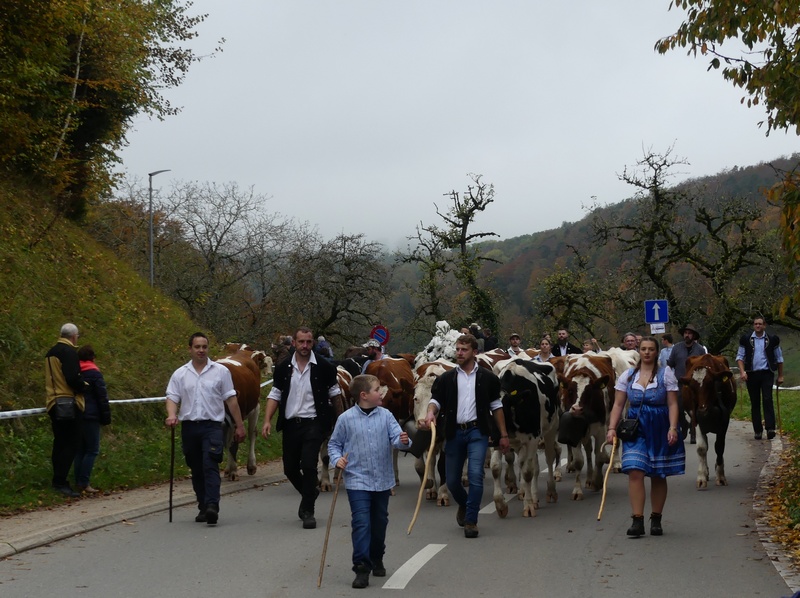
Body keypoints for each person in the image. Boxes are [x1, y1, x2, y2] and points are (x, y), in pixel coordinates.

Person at [419, 334, 510, 539]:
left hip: (478, 431)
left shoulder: (488, 378)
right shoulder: (447, 378)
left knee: (476, 475)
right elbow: (436, 400)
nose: (459, 353)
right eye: (458, 349)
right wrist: (430, 412)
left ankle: (471, 521)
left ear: (474, 352)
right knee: (452, 481)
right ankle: (465, 503)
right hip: (454, 432)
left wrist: (503, 435)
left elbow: (496, 406)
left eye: (464, 349)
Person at [328, 374, 412, 589]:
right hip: (357, 480)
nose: (381, 392)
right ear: (364, 395)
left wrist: (403, 440)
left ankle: (377, 556)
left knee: (379, 522)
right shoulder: (345, 419)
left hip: (382, 480)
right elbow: (334, 444)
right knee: (361, 522)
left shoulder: (386, 416)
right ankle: (361, 567)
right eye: (377, 389)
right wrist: (337, 460)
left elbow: (397, 438)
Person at [262, 326, 341, 529]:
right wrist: (267, 420)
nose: (305, 346)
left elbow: (335, 394)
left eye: (308, 342)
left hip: (314, 423)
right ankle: (310, 492)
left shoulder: (324, 366)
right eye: (301, 342)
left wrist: (341, 421)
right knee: (290, 469)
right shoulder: (283, 368)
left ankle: (308, 510)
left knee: (308, 464)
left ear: (312, 343)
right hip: (291, 424)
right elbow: (275, 394)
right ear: (295, 343)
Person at [606, 336, 685, 537]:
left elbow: (672, 403)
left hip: (659, 425)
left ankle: (656, 518)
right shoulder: (628, 376)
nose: (647, 352)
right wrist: (612, 428)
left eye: (651, 349)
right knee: (635, 471)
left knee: (658, 474)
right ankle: (637, 520)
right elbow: (618, 404)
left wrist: (673, 427)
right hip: (635, 427)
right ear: (639, 351)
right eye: (643, 349)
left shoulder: (666, 374)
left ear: (657, 352)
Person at [165, 332, 246, 525]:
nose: (201, 350)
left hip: (212, 426)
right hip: (189, 427)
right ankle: (203, 506)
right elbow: (172, 396)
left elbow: (231, 399)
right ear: (190, 349)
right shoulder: (180, 374)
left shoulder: (221, 372)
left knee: (210, 464)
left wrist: (239, 425)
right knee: (196, 468)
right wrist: (171, 415)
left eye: (204, 347)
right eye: (197, 347)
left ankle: (212, 505)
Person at [45, 323, 85, 498]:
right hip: (68, 403)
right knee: (72, 443)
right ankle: (60, 481)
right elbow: (72, 378)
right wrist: (84, 386)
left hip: (53, 401)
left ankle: (58, 479)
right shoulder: (69, 352)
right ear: (74, 336)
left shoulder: (50, 352)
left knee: (60, 442)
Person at [736, 317, 784, 440]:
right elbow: (740, 357)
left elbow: (779, 358)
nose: (758, 326)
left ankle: (770, 428)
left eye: (760, 324)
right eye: (756, 324)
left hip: (767, 373)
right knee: (755, 401)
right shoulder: (746, 339)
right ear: (753, 325)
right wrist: (742, 372)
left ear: (764, 326)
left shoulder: (772, 339)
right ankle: (757, 430)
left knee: (767, 399)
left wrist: (780, 375)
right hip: (751, 374)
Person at [74, 344, 111, 494]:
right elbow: (102, 397)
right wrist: (106, 417)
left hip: (77, 413)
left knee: (80, 450)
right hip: (91, 415)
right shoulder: (95, 373)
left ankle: (78, 482)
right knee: (92, 450)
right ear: (92, 358)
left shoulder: (74, 372)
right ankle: (84, 482)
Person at [667, 324, 707, 442]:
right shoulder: (676, 348)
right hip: (680, 383)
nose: (687, 335)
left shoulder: (700, 349)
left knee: (695, 409)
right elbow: (670, 364)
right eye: (685, 333)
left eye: (689, 333)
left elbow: (704, 366)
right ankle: (684, 424)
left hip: (695, 384)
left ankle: (693, 432)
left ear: (693, 336)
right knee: (678, 407)